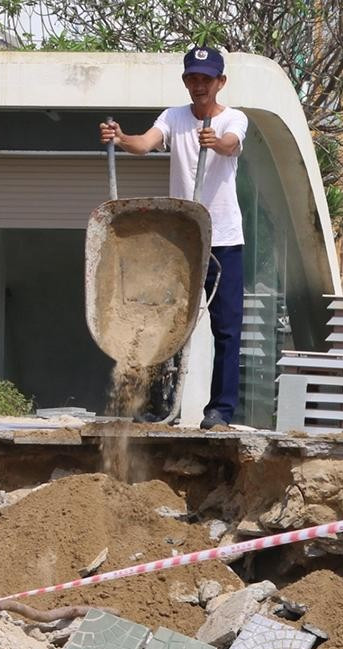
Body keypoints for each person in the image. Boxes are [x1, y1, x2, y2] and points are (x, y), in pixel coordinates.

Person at [99, 46, 249, 430]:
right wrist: (120, 137)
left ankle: (220, 411)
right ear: (186, 82)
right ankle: (155, 403)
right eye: (193, 78)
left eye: (206, 79)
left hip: (223, 239)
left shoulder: (235, 119)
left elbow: (233, 144)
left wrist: (216, 142)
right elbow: (145, 144)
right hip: (182, 241)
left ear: (220, 82)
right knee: (161, 320)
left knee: (227, 328)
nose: (199, 85)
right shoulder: (173, 117)